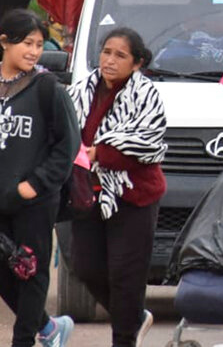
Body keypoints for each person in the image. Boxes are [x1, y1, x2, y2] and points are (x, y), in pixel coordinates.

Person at [67, 27, 167, 347]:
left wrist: (99, 153)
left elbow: (147, 144)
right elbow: (66, 133)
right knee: (86, 268)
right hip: (87, 193)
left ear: (137, 63)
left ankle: (124, 338)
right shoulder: (82, 90)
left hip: (133, 196)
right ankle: (135, 318)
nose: (110, 60)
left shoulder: (146, 94)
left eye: (120, 55)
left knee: (126, 276)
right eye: (106, 52)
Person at [0, 9, 80, 347]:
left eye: (38, 44)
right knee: (4, 271)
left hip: (35, 199)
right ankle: (48, 327)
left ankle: (25, 341)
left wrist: (33, 184)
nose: (33, 51)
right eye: (26, 44)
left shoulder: (48, 87)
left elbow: (68, 144)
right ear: (4, 42)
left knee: (31, 271)